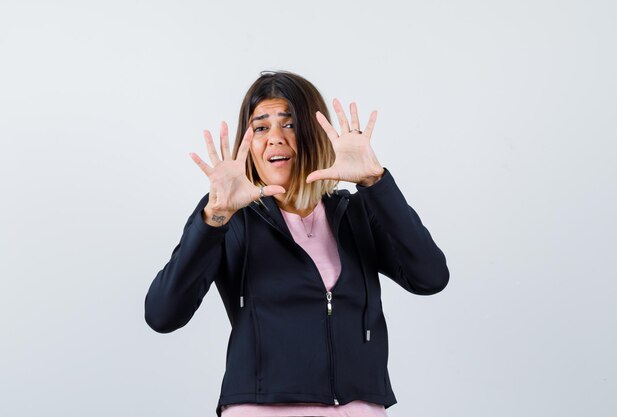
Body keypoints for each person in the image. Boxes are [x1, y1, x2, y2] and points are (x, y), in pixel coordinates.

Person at [145, 71, 449, 416]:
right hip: (261, 409)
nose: (274, 138)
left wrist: (376, 183)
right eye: (260, 127)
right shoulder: (230, 216)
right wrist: (214, 218)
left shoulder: (356, 211)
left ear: (314, 135)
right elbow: (162, 314)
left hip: (360, 407)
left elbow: (430, 277)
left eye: (289, 125)